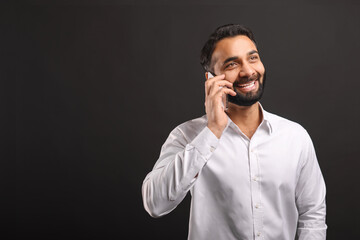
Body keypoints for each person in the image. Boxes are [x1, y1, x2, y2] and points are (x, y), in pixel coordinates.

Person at [141, 24, 327, 240]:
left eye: (253, 58)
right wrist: (213, 130)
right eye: (232, 64)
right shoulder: (187, 136)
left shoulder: (295, 137)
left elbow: (312, 214)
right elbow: (155, 203)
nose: (248, 71)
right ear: (211, 78)